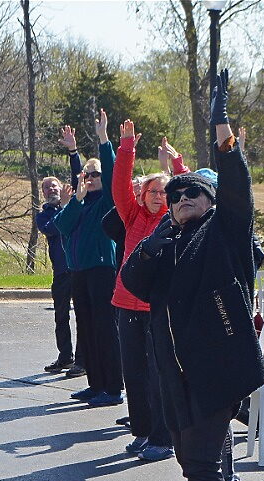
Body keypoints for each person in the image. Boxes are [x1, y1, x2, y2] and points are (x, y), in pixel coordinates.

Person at [121, 69, 264, 481]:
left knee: (203, 468)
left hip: (215, 371)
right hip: (174, 375)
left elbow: (237, 188)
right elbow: (134, 283)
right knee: (194, 468)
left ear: (210, 201)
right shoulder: (168, 241)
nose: (183, 199)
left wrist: (222, 130)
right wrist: (160, 234)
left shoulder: (224, 233)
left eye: (193, 195)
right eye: (176, 196)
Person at [111, 118, 174, 462]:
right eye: (153, 191)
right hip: (125, 304)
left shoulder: (174, 220)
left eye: (164, 192)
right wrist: (126, 148)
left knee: (157, 374)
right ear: (143, 194)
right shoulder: (132, 216)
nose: (159, 197)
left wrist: (175, 165)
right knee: (133, 373)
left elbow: (191, 188)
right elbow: (119, 185)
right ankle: (143, 432)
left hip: (156, 310)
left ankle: (164, 437)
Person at [54, 111, 123, 407]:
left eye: (95, 175)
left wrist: (103, 138)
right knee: (87, 329)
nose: (90, 178)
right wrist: (73, 153)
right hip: (79, 273)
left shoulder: (108, 201)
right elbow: (61, 226)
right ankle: (95, 385)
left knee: (106, 330)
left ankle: (112, 388)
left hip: (102, 272)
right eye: (87, 175)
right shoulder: (79, 204)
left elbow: (110, 169)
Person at [36, 167, 85, 378]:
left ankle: (83, 360)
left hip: (79, 268)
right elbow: (53, 228)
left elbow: (79, 175)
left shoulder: (75, 206)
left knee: (83, 316)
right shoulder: (42, 216)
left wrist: (68, 205)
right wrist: (65, 209)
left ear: (61, 187)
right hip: (61, 273)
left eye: (53, 185)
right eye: (46, 187)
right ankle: (65, 356)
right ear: (43, 193)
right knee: (61, 316)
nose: (50, 189)